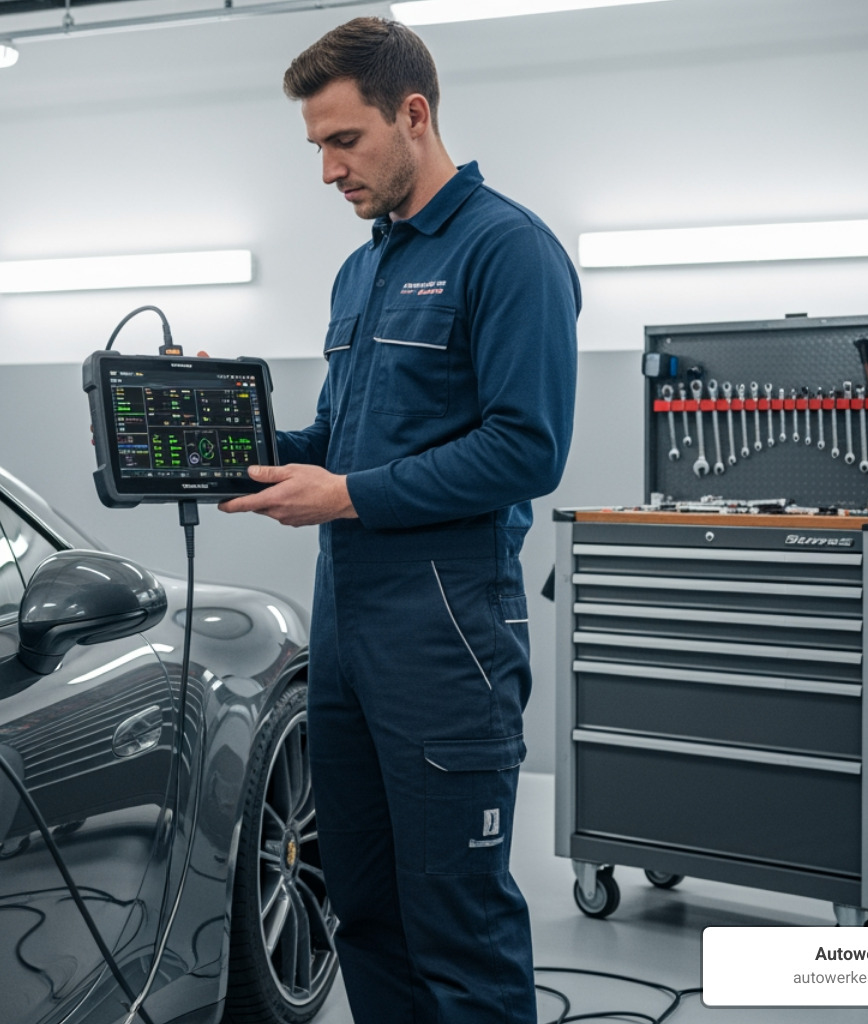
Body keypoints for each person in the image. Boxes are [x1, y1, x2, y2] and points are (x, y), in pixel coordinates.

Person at [219, 17, 579, 1024]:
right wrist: (226, 446)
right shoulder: (362, 269)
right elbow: (341, 436)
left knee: (455, 920)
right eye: (318, 147)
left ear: (412, 115)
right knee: (363, 908)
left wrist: (349, 496)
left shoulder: (510, 253)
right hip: (346, 636)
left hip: (448, 635)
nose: (329, 170)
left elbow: (525, 449)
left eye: (345, 141)